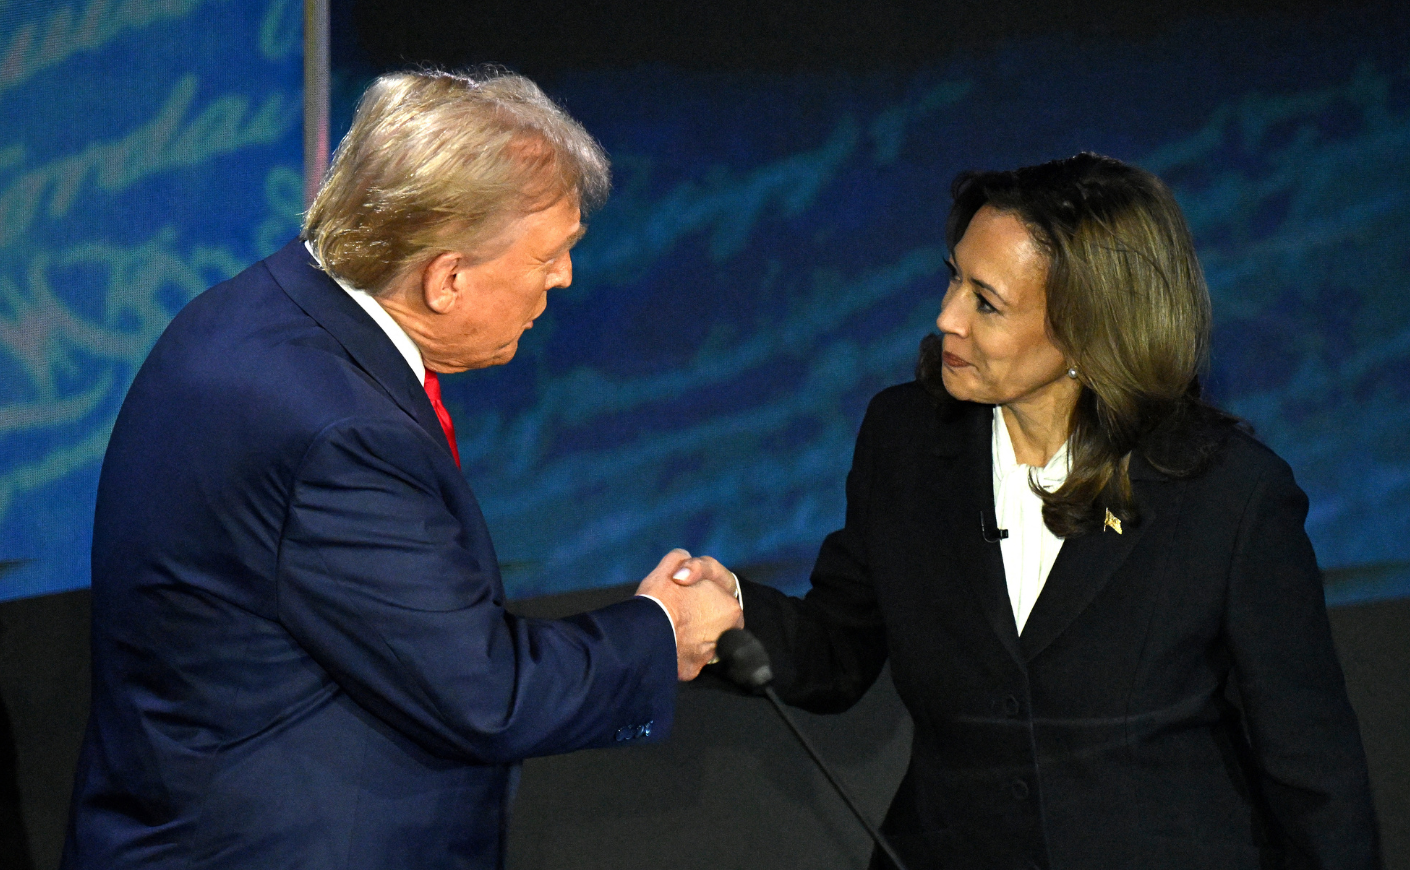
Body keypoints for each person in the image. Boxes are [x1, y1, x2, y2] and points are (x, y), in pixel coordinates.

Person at [62, 69, 741, 870]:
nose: (561, 279)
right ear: (446, 278)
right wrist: (661, 633)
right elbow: (486, 694)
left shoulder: (264, 311)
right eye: (551, 256)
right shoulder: (338, 431)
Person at [679, 153, 1381, 868]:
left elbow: (1313, 769)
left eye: (986, 301)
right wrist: (731, 614)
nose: (946, 316)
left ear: (1087, 328)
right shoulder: (906, 441)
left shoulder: (1228, 493)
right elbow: (837, 651)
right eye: (953, 276)